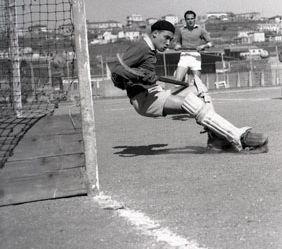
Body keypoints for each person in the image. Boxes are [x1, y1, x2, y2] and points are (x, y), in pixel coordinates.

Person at [111, 20, 268, 153]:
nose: (168, 43)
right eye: (166, 38)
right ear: (155, 34)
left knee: (199, 89)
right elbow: (117, 71)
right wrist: (139, 76)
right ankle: (238, 138)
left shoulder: (150, 48)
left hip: (155, 93)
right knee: (194, 104)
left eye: (171, 39)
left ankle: (216, 139)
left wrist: (143, 76)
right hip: (145, 99)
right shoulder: (141, 47)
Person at [172, 10, 212, 83]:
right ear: (185, 20)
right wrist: (177, 45)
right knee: (177, 81)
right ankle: (183, 78)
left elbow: (211, 43)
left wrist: (203, 46)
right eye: (188, 19)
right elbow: (178, 42)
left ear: (194, 19)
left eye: (192, 19)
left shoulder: (200, 30)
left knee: (197, 82)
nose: (190, 21)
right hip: (184, 56)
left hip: (195, 57)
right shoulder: (181, 30)